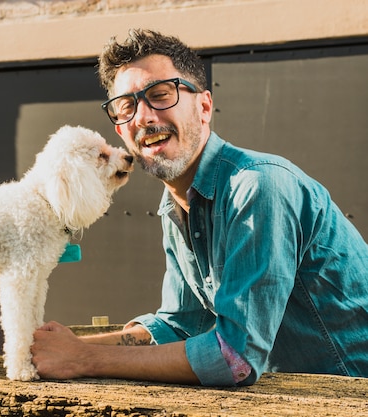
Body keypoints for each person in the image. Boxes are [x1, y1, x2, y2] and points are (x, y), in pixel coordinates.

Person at [30, 28, 368, 386]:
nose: (143, 117)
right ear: (120, 130)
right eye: (127, 106)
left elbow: (234, 358)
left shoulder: (257, 187)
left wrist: (83, 358)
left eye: (160, 95)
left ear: (205, 107)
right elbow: (181, 325)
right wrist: (65, 346)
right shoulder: (176, 202)